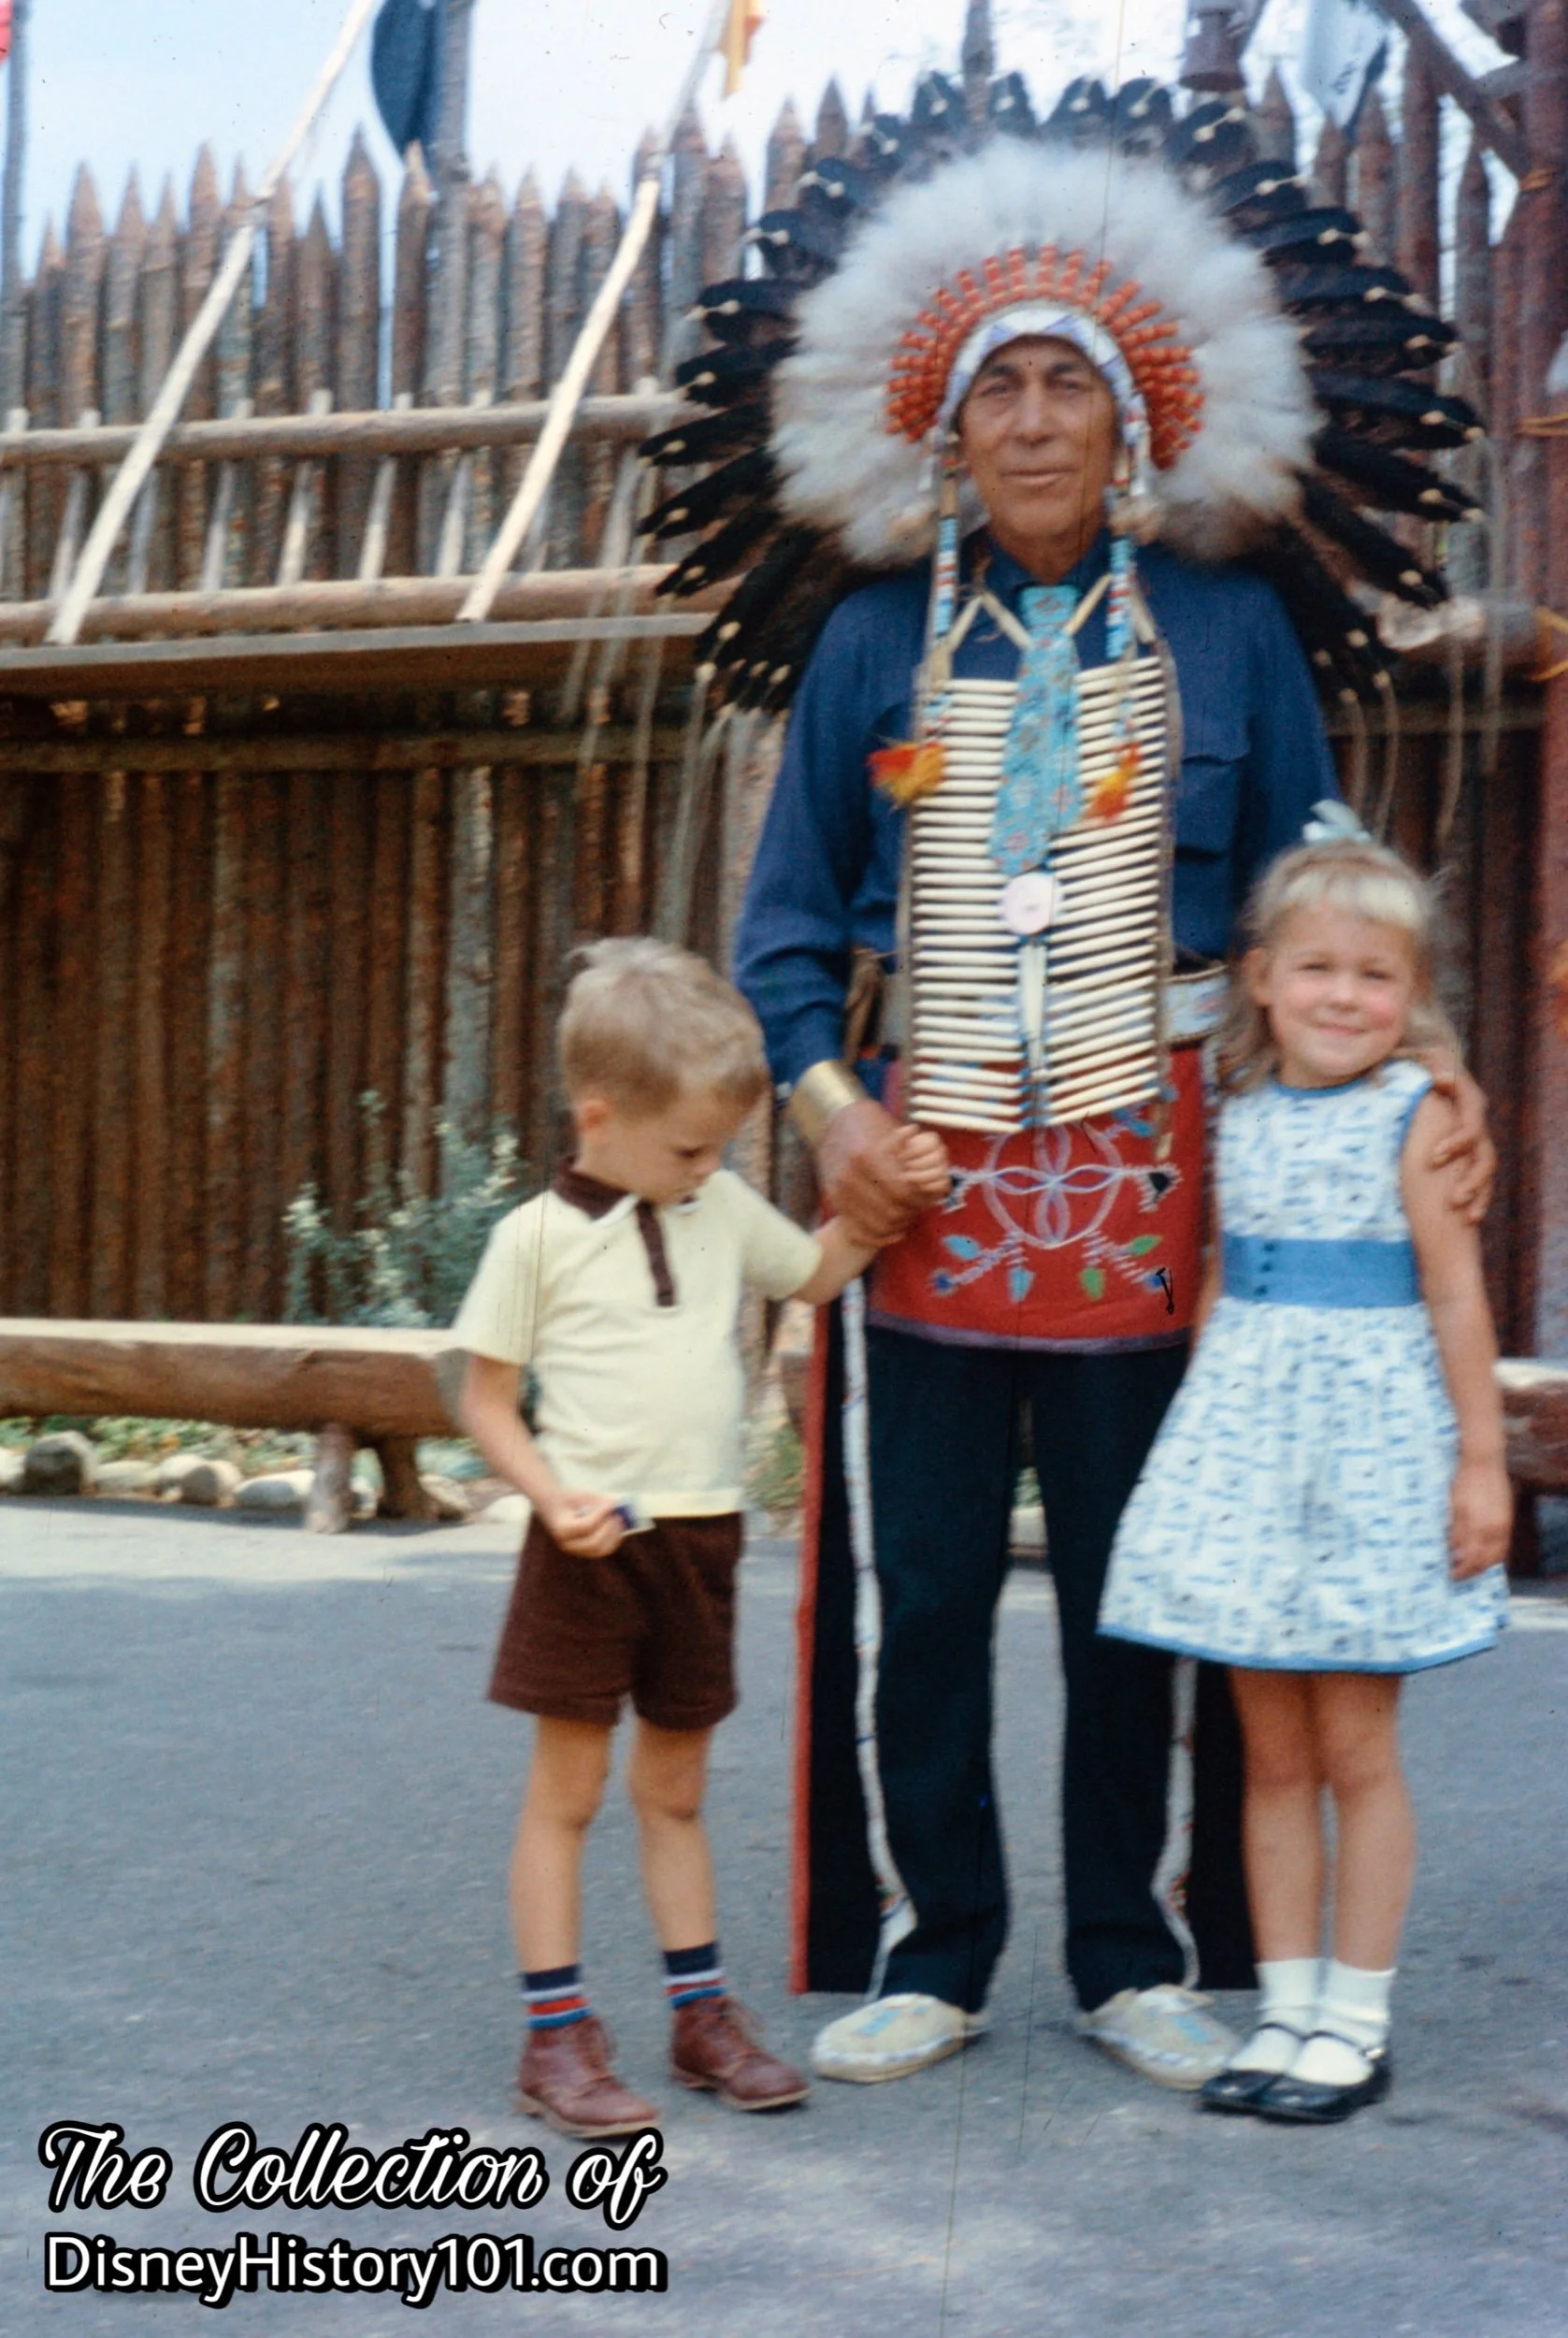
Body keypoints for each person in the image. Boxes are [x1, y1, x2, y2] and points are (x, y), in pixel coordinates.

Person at [688, 94, 1499, 2092]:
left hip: (1165, 1188)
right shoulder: (873, 644)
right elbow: (785, 929)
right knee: (936, 1589)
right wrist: (830, 1109)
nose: (1036, 419)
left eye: (1068, 384)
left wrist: (1434, 1056)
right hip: (929, 1182)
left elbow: (1325, 894)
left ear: (1131, 423)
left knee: (1153, 1583)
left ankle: (1136, 1951)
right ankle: (936, 1945)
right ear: (944, 431)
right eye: (1000, 390)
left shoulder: (1225, 631)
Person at [453, 938, 946, 2137]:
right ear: (598, 1117)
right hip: (588, 1546)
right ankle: (556, 2034)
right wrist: (546, 1490)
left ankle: (698, 2013)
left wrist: (888, 1197)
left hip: (702, 1540)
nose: (708, 1167)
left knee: (674, 1790)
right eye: (687, 1147)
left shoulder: (715, 1200)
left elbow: (819, 1271)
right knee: (565, 1795)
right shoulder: (536, 1238)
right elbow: (480, 1396)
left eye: (721, 1147)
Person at [1100, 837, 1510, 2121]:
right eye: (1318, 969)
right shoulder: (1236, 1108)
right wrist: (1201, 1458)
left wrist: (1482, 1466)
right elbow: (1221, 1272)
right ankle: (1282, 2008)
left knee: (1355, 1749)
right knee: (1266, 1755)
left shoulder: (1418, 1118)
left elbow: (1454, 1298)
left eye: (1376, 976)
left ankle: (1355, 2017)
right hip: (1248, 1453)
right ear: (1263, 980)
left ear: (1413, 994)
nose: (1345, 997)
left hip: (1374, 1456)